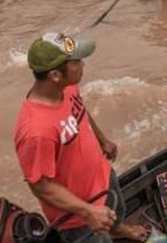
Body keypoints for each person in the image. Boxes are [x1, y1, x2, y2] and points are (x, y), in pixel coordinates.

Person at [13, 33, 147, 243]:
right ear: (55, 75)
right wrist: (87, 212)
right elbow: (40, 186)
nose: (83, 64)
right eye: (76, 62)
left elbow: (79, 109)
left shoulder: (66, 87)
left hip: (101, 177)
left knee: (117, 208)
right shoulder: (35, 130)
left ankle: (118, 229)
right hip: (79, 214)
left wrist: (102, 140)